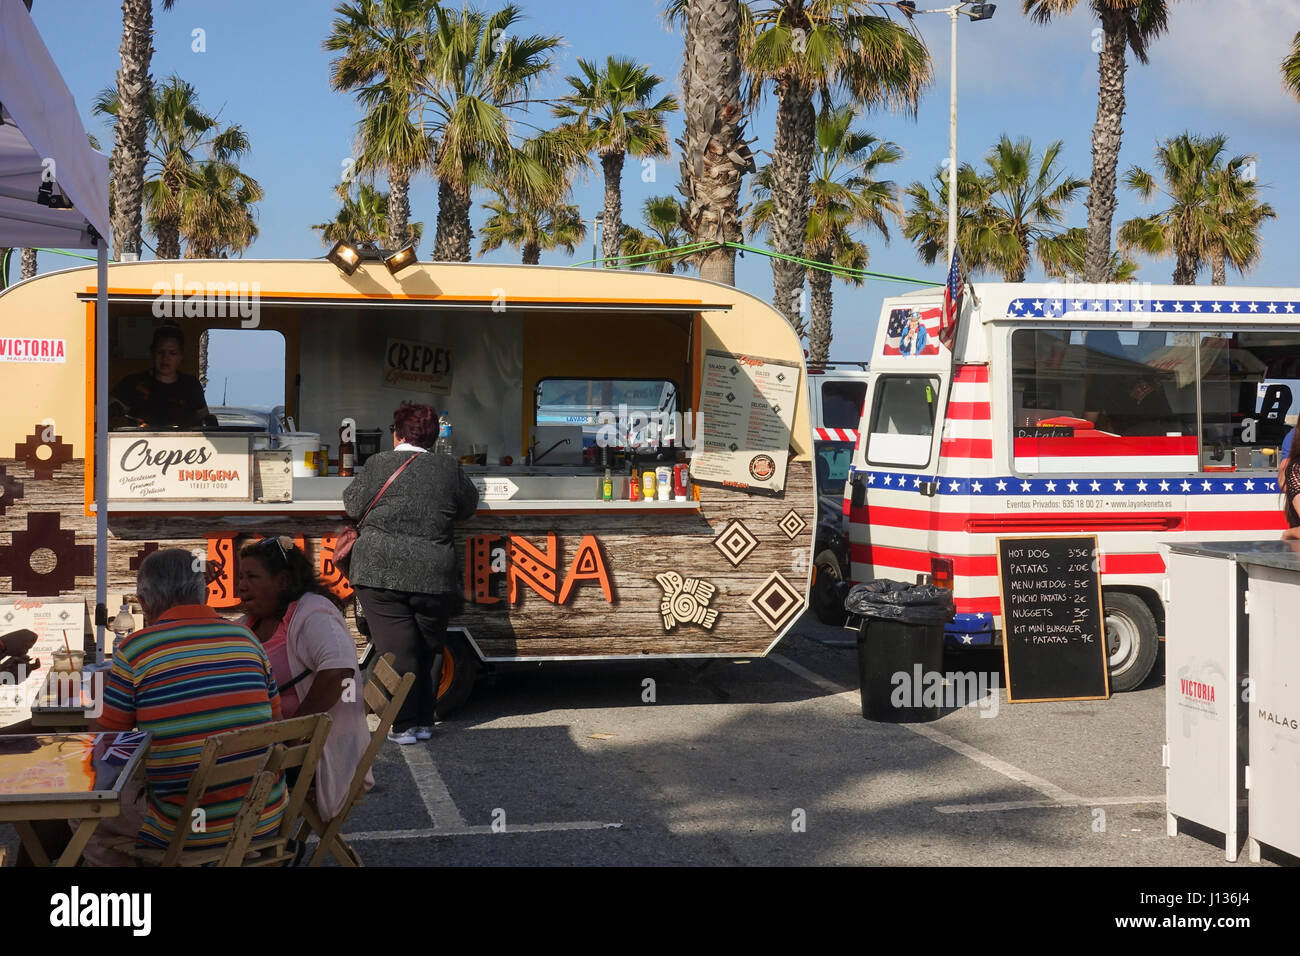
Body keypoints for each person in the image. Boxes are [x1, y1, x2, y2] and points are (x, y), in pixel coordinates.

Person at [82, 548, 285, 864]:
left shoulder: (136, 649)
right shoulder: (246, 638)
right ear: (202, 593)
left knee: (85, 808)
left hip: (187, 826)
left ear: (145, 603)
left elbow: (105, 746)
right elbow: (276, 723)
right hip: (261, 816)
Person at [343, 401, 478, 744]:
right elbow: (469, 505)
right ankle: (422, 721)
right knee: (431, 647)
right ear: (433, 437)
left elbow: (352, 505)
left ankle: (403, 725)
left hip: (379, 573)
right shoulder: (448, 468)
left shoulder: (378, 464)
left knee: (396, 651)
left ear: (398, 433)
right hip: (433, 574)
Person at [237, 535, 372, 818]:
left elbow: (338, 673)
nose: (241, 586)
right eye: (241, 576)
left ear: (283, 581)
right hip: (269, 744)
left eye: (252, 576)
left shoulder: (313, 612)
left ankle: (249, 845)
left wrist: (292, 737)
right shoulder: (255, 619)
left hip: (310, 757)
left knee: (210, 774)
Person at [109, 323, 212, 428]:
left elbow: (204, 419)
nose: (165, 358)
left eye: (172, 353)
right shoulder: (132, 383)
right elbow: (108, 409)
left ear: (181, 356)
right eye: (160, 352)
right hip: (138, 443)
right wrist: (114, 410)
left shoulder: (191, 385)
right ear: (152, 353)